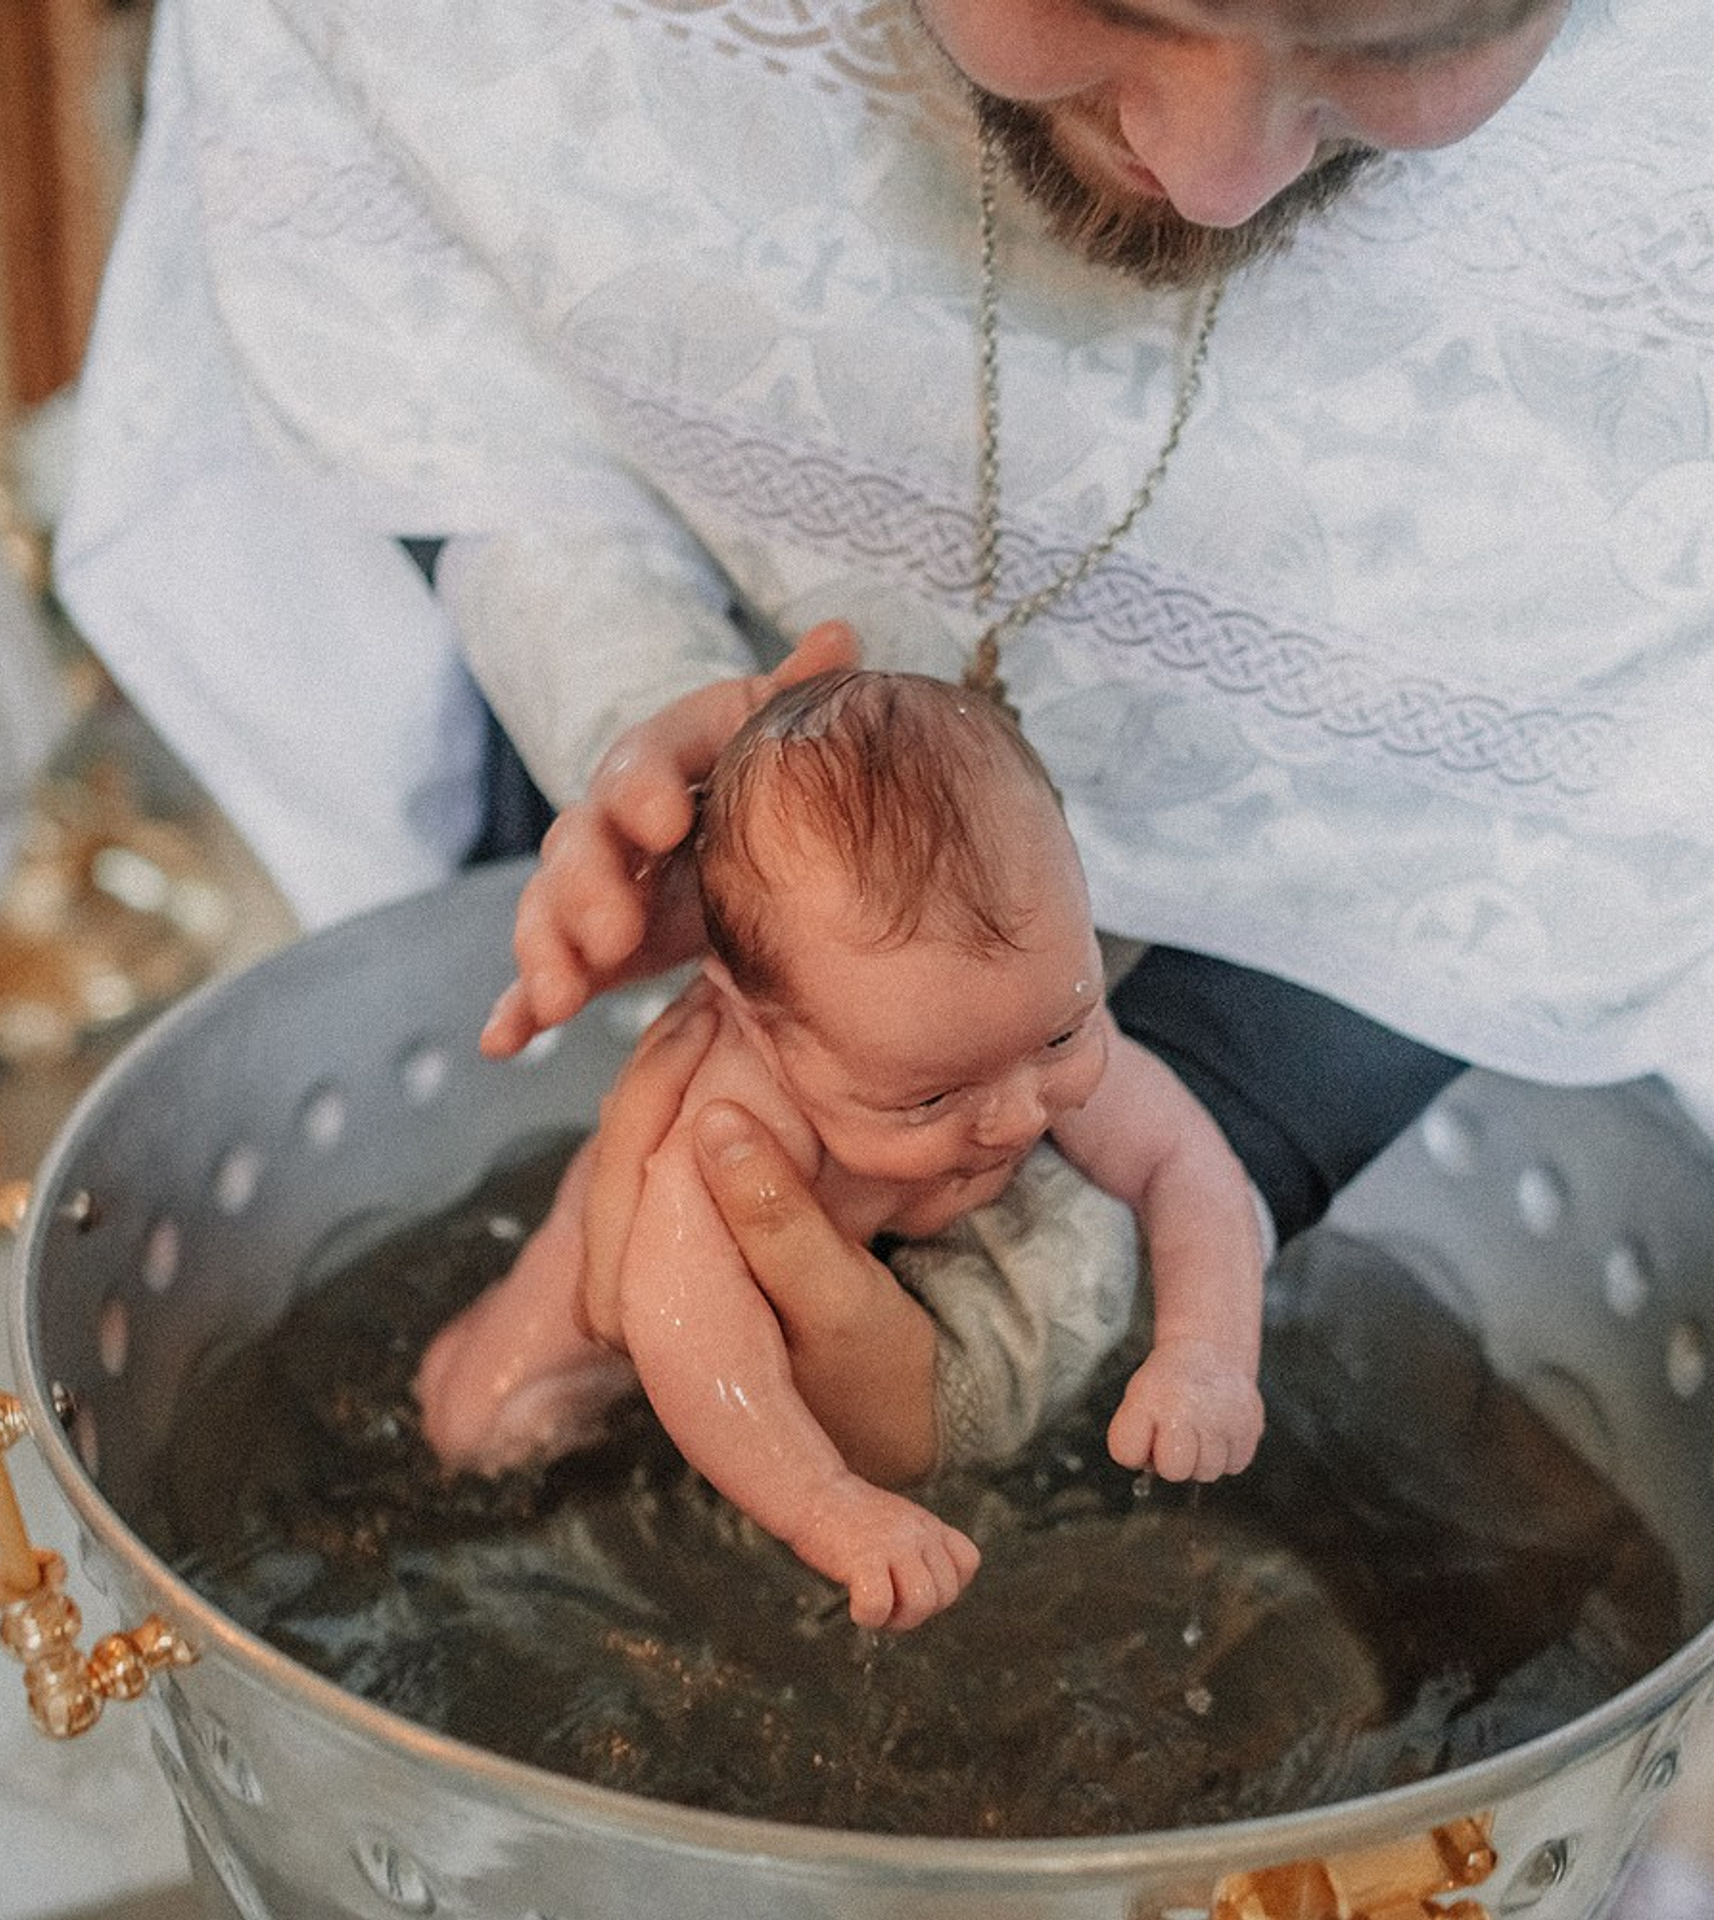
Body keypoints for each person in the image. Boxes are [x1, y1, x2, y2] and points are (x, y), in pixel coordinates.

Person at [55, 1, 1714, 1471]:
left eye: (1405, 40)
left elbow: (1651, 702)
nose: (1213, 168)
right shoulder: (722, 1113)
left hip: (1367, 968)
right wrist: (622, 689)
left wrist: (1147, 1318)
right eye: (1117, 2)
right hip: (691, 929)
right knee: (515, 1380)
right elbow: (415, 267)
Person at [416, 670, 1266, 1629]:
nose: (1016, 1116)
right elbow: (685, 1333)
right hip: (602, 1296)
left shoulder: (1008, 1025)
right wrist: (824, 1504)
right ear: (761, 1026)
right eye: (929, 1096)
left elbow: (1184, 1164)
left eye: (1064, 1036)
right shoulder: (734, 1121)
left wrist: (1206, 1353)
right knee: (483, 1430)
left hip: (827, 1300)